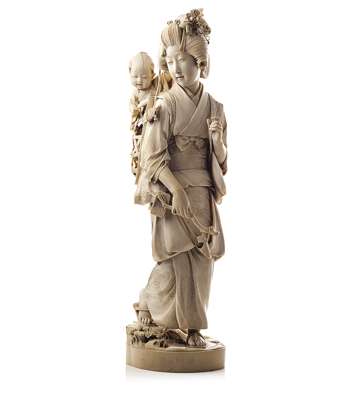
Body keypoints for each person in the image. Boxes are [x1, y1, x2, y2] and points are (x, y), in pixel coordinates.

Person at [134, 9, 228, 348]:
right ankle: (150, 305)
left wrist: (217, 142)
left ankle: (192, 327)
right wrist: (175, 189)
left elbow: (221, 163)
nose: (176, 68)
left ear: (199, 62)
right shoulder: (165, 105)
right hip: (173, 193)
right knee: (175, 261)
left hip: (202, 192)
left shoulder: (215, 108)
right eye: (171, 60)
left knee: (202, 262)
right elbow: (152, 157)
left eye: (184, 60)